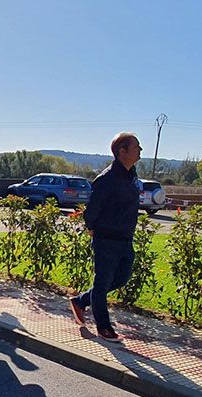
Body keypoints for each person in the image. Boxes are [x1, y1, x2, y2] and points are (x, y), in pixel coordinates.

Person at [68, 132, 143, 343]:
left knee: (121, 278)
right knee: (102, 283)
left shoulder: (132, 176)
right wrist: (92, 228)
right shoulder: (106, 179)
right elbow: (92, 210)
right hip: (106, 239)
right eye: (136, 147)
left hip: (126, 238)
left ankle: (81, 301)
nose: (140, 150)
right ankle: (104, 328)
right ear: (122, 152)